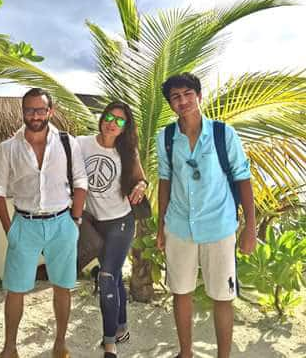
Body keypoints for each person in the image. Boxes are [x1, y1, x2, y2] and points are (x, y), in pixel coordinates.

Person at [155, 73, 256, 358]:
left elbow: (242, 177)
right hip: (178, 226)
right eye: (176, 97)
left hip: (219, 227)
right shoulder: (165, 138)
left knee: (223, 296)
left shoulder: (224, 134)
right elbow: (165, 180)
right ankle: (185, 353)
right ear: (171, 104)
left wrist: (250, 227)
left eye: (188, 94)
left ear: (199, 96)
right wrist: (162, 226)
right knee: (181, 292)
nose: (183, 101)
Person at [0, 88, 88, 358]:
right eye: (30, 110)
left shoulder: (69, 143)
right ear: (23, 112)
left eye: (40, 110)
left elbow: (80, 182)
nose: (35, 115)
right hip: (24, 223)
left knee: (63, 286)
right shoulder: (8, 148)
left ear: (50, 111)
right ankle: (10, 347)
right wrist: (9, 229)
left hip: (62, 223)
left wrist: (75, 220)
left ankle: (60, 343)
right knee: (15, 289)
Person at [77, 102, 148, 358]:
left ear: (125, 127)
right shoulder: (82, 144)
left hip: (121, 222)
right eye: (109, 117)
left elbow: (141, 179)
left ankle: (109, 343)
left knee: (106, 276)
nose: (112, 123)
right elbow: (55, 146)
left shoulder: (127, 151)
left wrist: (141, 186)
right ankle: (122, 328)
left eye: (120, 121)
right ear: (102, 117)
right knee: (115, 277)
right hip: (95, 224)